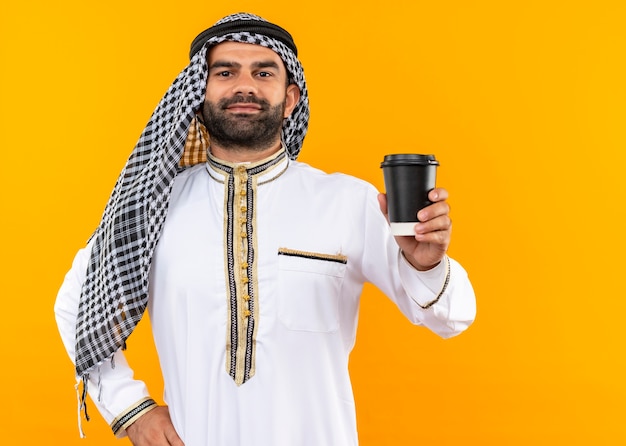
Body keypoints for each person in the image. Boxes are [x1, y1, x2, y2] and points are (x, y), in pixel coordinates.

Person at [55, 12, 476, 446]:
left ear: (290, 98)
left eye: (263, 72)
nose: (245, 86)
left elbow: (453, 317)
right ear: (197, 93)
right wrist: (130, 409)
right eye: (225, 72)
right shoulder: (152, 206)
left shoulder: (348, 201)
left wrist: (426, 264)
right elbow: (75, 305)